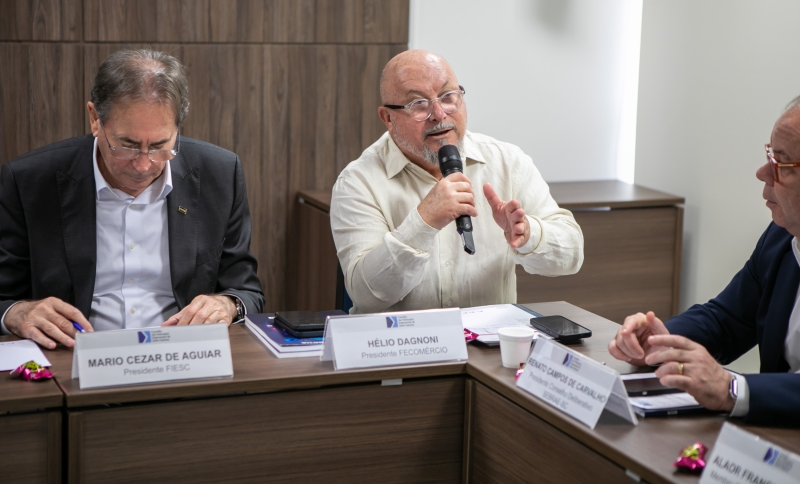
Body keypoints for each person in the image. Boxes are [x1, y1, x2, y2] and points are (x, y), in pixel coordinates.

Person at [0, 49, 265, 349]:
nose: (143, 165)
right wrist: (17, 313)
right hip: (74, 362)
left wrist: (227, 305)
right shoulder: (30, 182)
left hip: (183, 361)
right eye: (126, 145)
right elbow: (4, 297)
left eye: (159, 146)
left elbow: (247, 292)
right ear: (95, 119)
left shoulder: (220, 174)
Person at [330, 49, 584, 314]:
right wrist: (422, 222)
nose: (439, 114)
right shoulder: (357, 182)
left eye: (448, 97)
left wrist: (528, 233)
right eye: (419, 104)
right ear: (388, 118)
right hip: (400, 348)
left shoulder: (507, 162)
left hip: (489, 349)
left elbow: (572, 255)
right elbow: (366, 294)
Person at [608, 99, 800, 425]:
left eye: (780, 163)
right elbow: (726, 320)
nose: (761, 173)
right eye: (770, 155)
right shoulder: (782, 238)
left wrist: (732, 388)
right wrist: (659, 340)